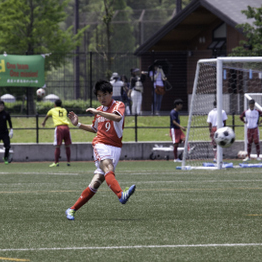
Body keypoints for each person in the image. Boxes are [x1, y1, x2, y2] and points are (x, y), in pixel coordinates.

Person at [65, 79, 136, 221]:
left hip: (115, 147)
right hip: (100, 144)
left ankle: (72, 209)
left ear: (111, 93)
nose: (101, 98)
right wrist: (77, 124)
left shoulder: (118, 105)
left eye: (104, 95)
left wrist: (99, 112)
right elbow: (95, 129)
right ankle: (121, 195)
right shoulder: (99, 111)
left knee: (96, 181)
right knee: (108, 167)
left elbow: (117, 118)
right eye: (98, 96)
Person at [42, 99, 71, 167]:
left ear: (55, 105)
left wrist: (44, 122)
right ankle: (68, 162)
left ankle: (56, 162)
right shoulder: (64, 110)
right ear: (61, 105)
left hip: (59, 128)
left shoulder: (52, 110)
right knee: (67, 145)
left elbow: (47, 116)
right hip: (66, 127)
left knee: (58, 145)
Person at [0, 100, 13, 164]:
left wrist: (11, 129)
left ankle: (5, 158)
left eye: (2, 105)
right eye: (0, 105)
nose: (1, 107)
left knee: (7, 146)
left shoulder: (6, 114)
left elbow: (9, 122)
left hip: (4, 133)